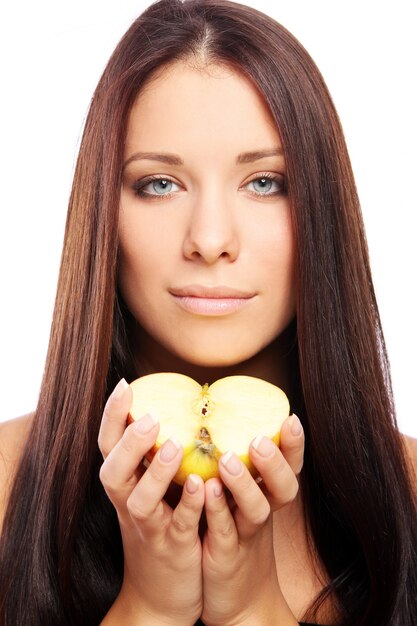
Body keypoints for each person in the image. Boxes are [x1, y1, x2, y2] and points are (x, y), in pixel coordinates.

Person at [0, 0, 416, 624]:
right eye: (159, 184)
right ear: (104, 216)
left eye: (266, 182)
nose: (211, 238)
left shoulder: (409, 490)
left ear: (322, 210)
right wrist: (150, 606)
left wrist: (253, 607)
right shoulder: (6, 481)